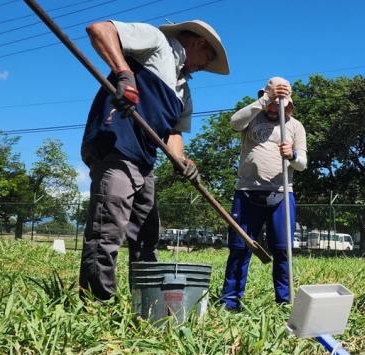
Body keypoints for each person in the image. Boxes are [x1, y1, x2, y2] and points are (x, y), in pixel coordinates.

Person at [79, 19, 229, 300]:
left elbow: (173, 132)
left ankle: (146, 301)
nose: (204, 66)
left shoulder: (183, 89)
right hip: (116, 146)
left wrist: (183, 162)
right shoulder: (157, 43)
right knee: (107, 229)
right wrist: (124, 73)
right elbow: (99, 29)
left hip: (143, 159)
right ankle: (95, 302)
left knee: (146, 236)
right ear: (199, 43)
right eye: (207, 58)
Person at [220, 77, 308, 311]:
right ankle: (230, 302)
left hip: (281, 193)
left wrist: (291, 156)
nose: (273, 107)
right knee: (240, 248)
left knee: (282, 250)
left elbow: (303, 164)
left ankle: (284, 303)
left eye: (279, 102)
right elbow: (234, 122)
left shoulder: (295, 126)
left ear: (288, 104)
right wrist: (266, 98)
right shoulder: (252, 118)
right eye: (271, 101)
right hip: (247, 192)